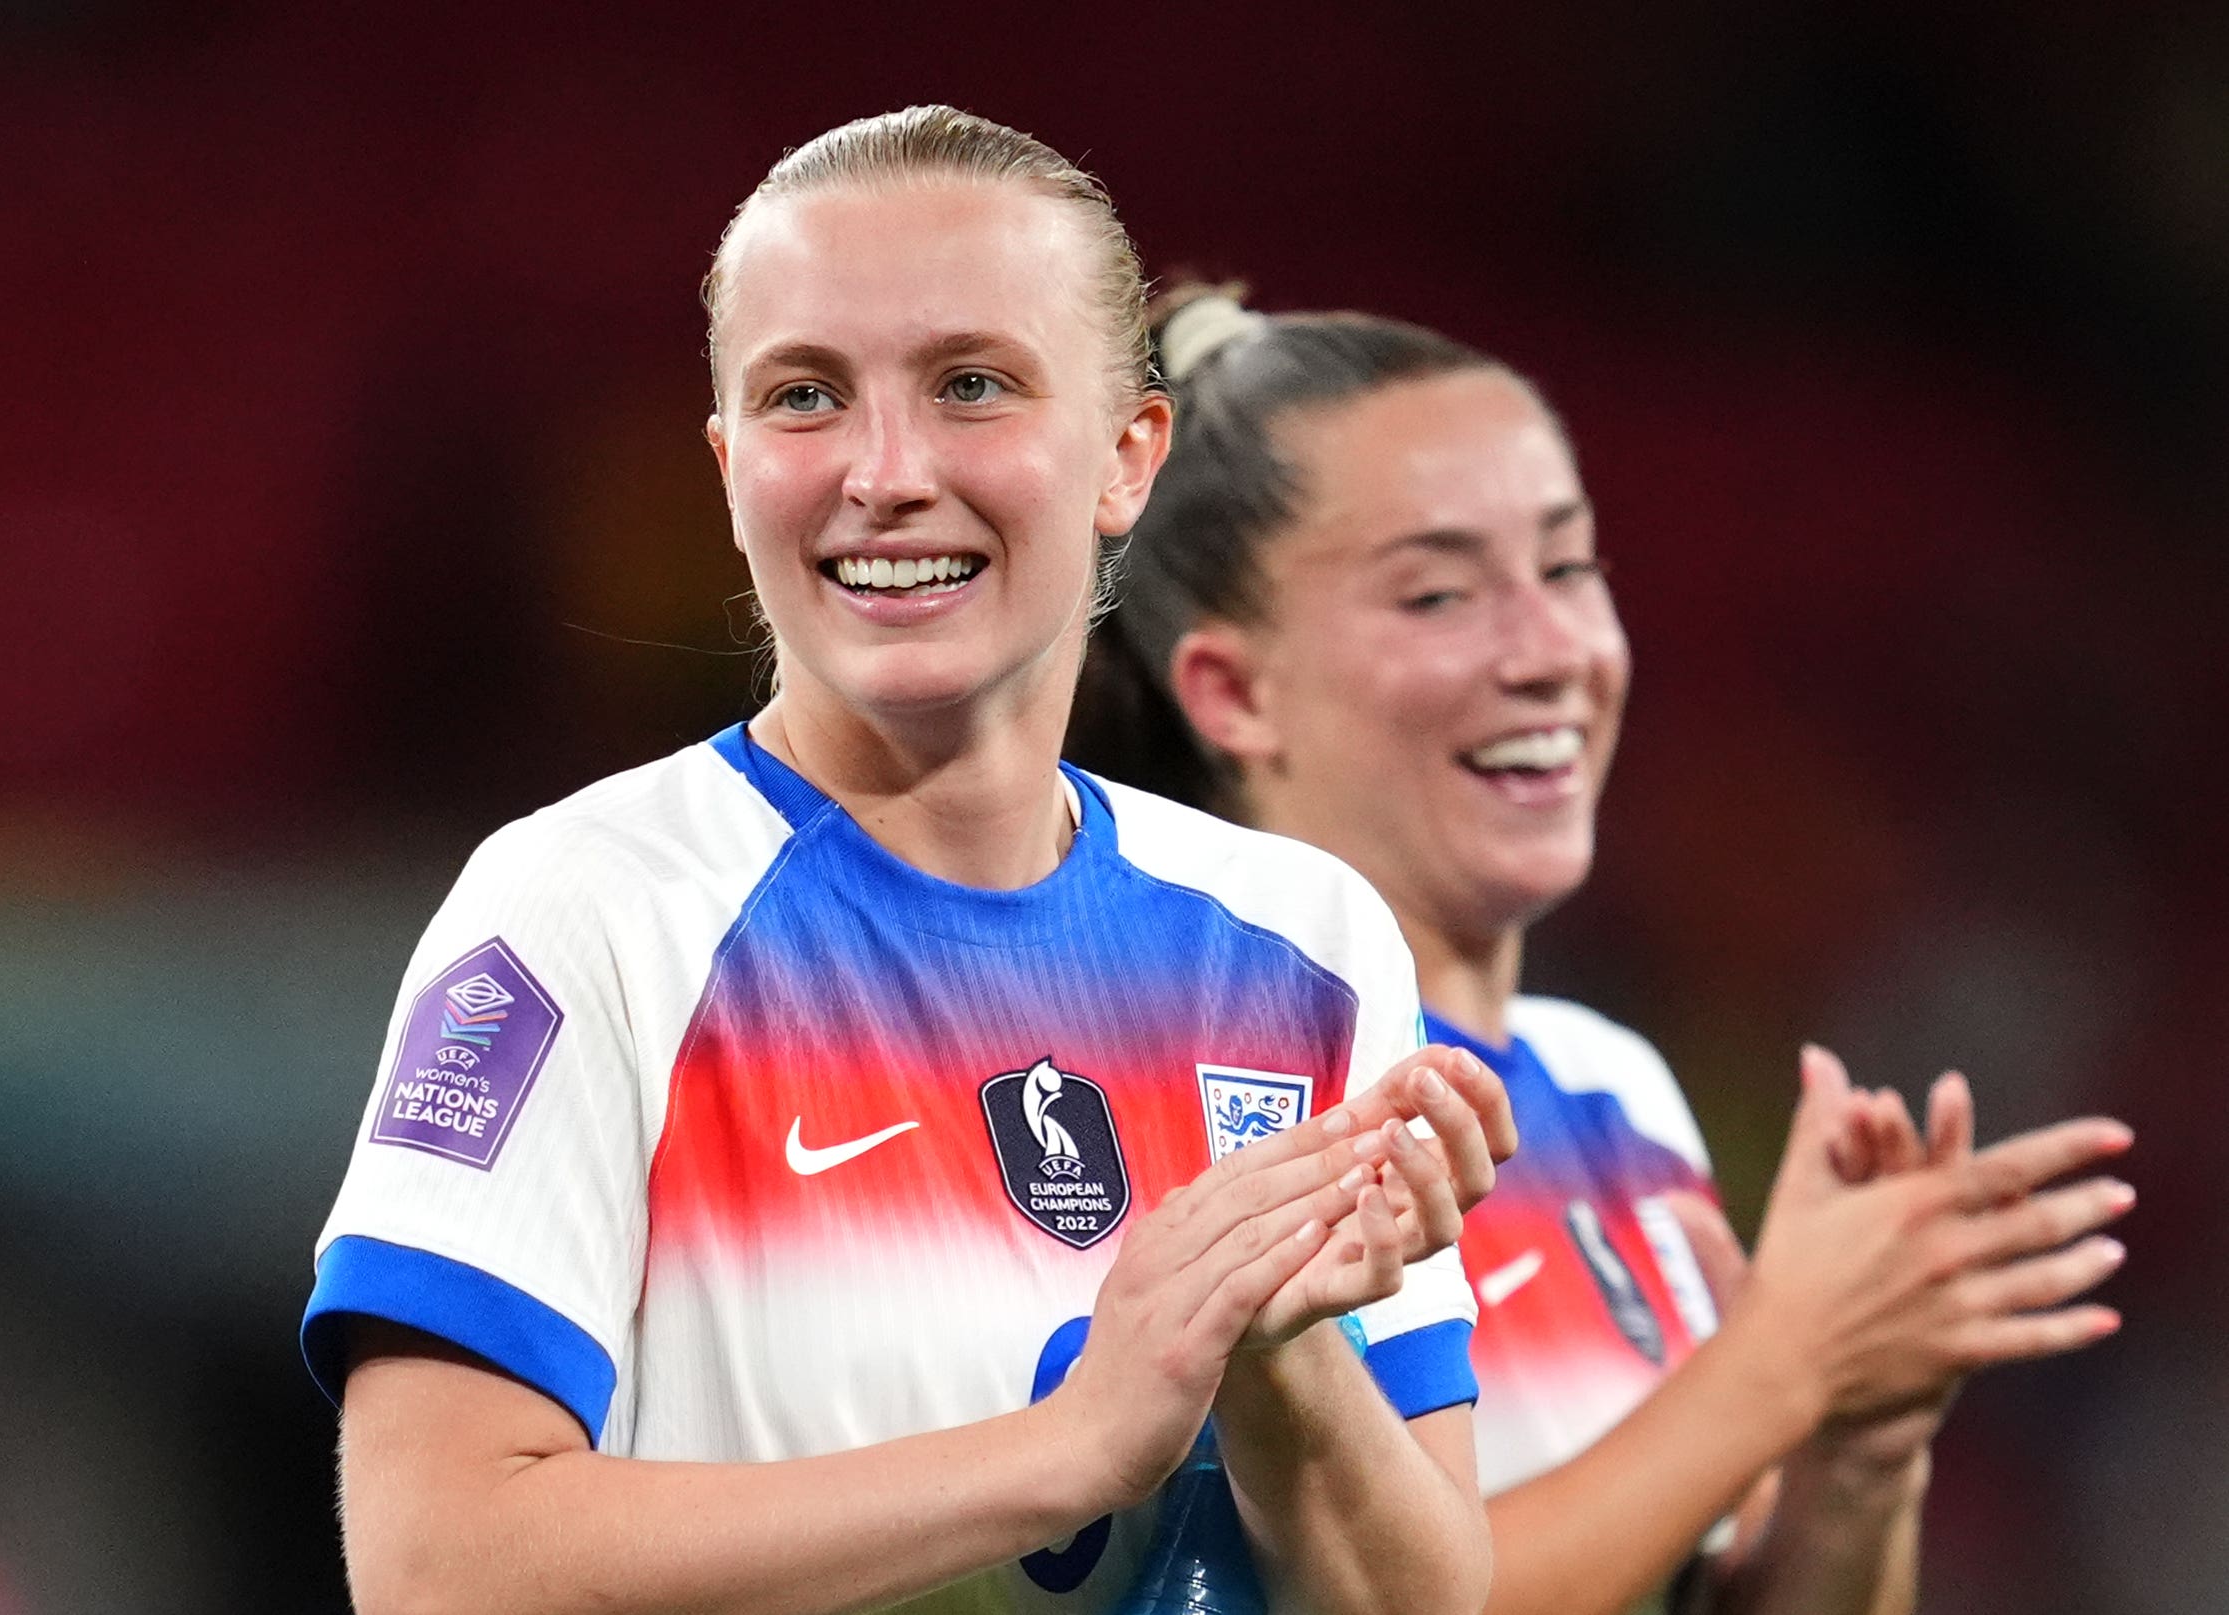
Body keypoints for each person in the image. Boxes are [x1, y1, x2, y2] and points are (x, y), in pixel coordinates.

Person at [298, 111, 1520, 1615]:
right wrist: (1067, 1452)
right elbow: (440, 1566)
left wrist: (1270, 1346)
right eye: (804, 396)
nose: (884, 471)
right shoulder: (589, 913)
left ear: (1128, 455)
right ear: (731, 464)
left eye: (970, 386)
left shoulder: (1305, 940)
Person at [1074, 286, 2136, 1615]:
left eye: (1567, 569)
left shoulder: (1609, 1088)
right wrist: (1779, 1362)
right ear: (1236, 692)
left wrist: (1854, 1448)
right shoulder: (1217, 1090)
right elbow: (1371, 1599)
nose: (1551, 651)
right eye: (1439, 593)